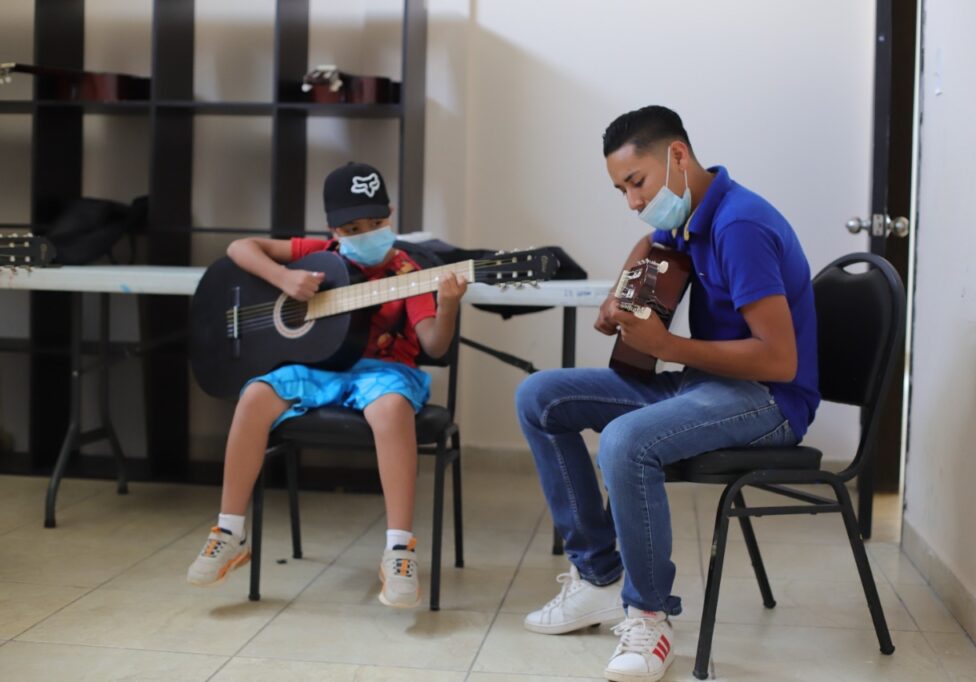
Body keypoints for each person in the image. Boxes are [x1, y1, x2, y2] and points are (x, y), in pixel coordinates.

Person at [516, 105, 820, 681]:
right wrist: (619, 294)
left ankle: (649, 616)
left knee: (626, 441)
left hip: (769, 399)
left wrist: (669, 345)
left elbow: (780, 360)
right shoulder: (692, 213)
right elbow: (650, 245)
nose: (633, 201)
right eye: (622, 190)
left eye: (637, 182)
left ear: (678, 155)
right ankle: (598, 578)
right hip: (705, 385)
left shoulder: (740, 226)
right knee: (540, 396)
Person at [186, 161, 467, 608]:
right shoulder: (321, 253)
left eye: (376, 223)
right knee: (254, 395)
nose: (366, 233)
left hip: (384, 372)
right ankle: (230, 531)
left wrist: (447, 304)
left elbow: (434, 344)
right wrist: (283, 278)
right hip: (319, 367)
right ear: (332, 228)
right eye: (353, 228)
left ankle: (399, 549)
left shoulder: (408, 273)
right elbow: (240, 248)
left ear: (391, 215)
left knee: (392, 409)